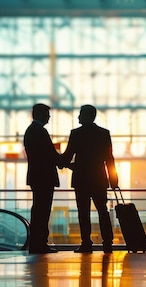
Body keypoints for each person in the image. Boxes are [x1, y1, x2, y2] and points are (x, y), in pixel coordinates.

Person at [60, 104, 119, 253]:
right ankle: (107, 243)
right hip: (99, 178)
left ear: (86, 116)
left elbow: (68, 155)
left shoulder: (76, 134)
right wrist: (113, 180)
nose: (78, 117)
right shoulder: (103, 133)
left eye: (80, 114)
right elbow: (109, 159)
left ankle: (86, 243)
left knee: (83, 212)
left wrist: (64, 164)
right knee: (102, 211)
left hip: (81, 178)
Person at [23, 103, 62, 254]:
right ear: (41, 115)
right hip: (43, 177)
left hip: (37, 176)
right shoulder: (40, 131)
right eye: (47, 114)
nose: (49, 117)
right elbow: (50, 154)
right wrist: (65, 162)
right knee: (43, 211)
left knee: (39, 209)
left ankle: (37, 242)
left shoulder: (32, 131)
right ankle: (40, 243)